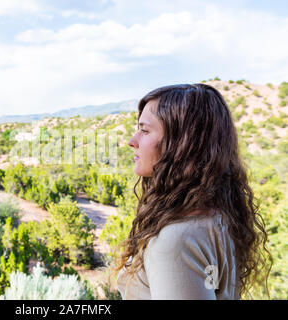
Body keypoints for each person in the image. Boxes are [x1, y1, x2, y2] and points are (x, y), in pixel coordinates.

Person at [112, 83, 272, 300]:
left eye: (144, 130)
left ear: (180, 145)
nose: (133, 141)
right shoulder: (217, 217)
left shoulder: (176, 241)